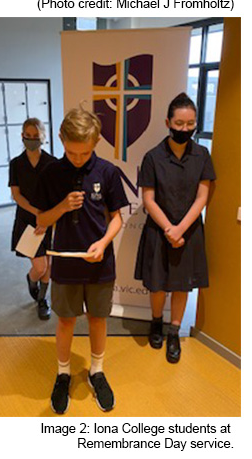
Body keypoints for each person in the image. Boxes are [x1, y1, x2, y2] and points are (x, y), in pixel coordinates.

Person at [34, 107, 128, 414]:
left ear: (97, 141)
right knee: (65, 319)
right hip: (64, 262)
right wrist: (62, 206)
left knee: (98, 318)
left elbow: (117, 218)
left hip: (100, 261)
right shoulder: (51, 173)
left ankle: (96, 371)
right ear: (61, 140)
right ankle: (63, 374)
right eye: (71, 152)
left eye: (84, 152)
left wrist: (103, 242)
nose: (77, 158)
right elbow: (42, 220)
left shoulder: (108, 172)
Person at [134, 93, 216, 363]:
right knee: (157, 286)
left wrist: (180, 229)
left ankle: (173, 332)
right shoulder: (152, 157)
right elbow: (148, 199)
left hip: (189, 231)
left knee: (181, 286)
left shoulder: (202, 155)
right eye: (179, 123)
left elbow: (202, 197)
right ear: (167, 122)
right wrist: (170, 228)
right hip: (159, 231)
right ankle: (156, 322)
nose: (184, 129)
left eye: (190, 124)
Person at [9, 117, 55, 319]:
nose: (31, 139)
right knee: (40, 266)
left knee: (48, 265)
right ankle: (31, 279)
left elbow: (56, 195)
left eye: (36, 136)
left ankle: (43, 300)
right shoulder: (16, 164)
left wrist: (47, 218)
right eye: (28, 136)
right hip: (27, 220)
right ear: (22, 136)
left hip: (50, 220)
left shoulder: (52, 163)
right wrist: (38, 213)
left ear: (43, 137)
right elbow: (16, 195)